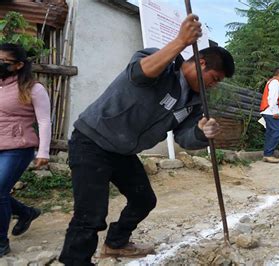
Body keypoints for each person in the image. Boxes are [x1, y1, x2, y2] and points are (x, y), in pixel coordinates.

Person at [58, 15, 235, 265]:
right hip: (92, 142)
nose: (213, 87)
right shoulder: (160, 63)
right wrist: (181, 42)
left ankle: (115, 243)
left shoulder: (195, 103)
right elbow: (139, 74)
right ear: (201, 63)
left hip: (123, 152)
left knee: (144, 200)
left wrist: (201, 133)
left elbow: (185, 137)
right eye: (214, 79)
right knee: (91, 215)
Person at [0, 43, 51, 256]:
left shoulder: (33, 88)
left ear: (19, 65)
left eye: (4, 61)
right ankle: (26, 212)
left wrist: (43, 151)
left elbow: (45, 121)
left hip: (18, 148)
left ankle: (1, 242)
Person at [260, 67, 279, 163]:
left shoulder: (271, 82)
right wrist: (275, 111)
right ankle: (268, 154)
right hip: (271, 112)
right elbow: (272, 98)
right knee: (277, 132)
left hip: (268, 111)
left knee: (270, 133)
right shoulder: (275, 83)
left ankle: (266, 155)